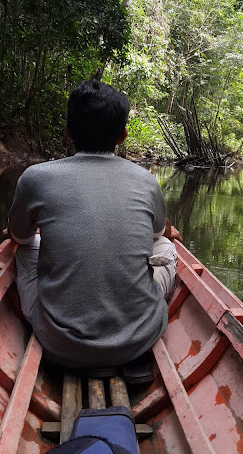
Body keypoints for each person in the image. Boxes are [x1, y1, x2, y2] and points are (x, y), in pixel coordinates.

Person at [6, 80, 180, 371]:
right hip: (139, 338)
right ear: (123, 136)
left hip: (58, 341)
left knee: (25, 249)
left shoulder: (34, 178)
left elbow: (22, 238)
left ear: (67, 132)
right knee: (164, 246)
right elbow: (158, 235)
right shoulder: (146, 181)